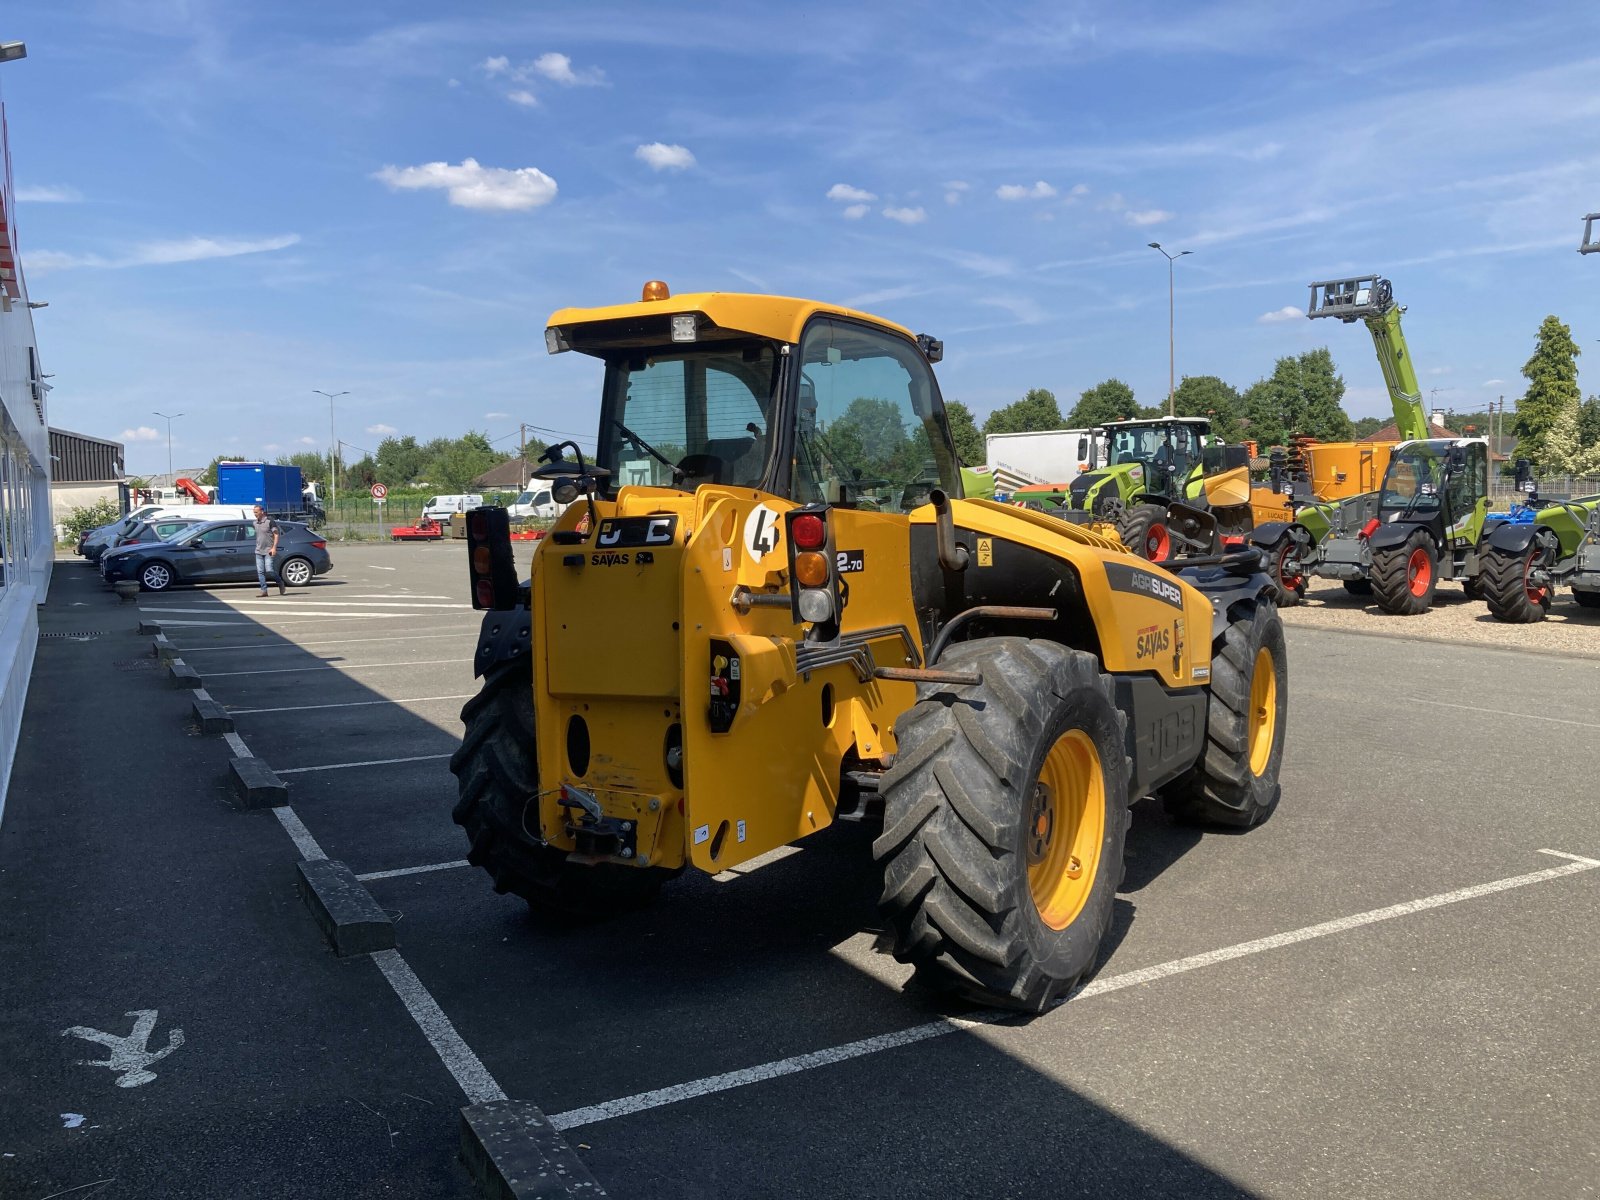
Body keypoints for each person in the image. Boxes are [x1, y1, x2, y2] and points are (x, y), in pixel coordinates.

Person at [252, 505, 284, 596]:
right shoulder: (254, 523)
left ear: (262, 511)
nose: (255, 514)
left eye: (256, 512)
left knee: (269, 570)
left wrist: (274, 547)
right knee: (260, 572)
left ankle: (280, 582)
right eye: (254, 512)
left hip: (268, 551)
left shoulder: (270, 522)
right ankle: (264, 590)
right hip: (258, 551)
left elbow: (276, 535)